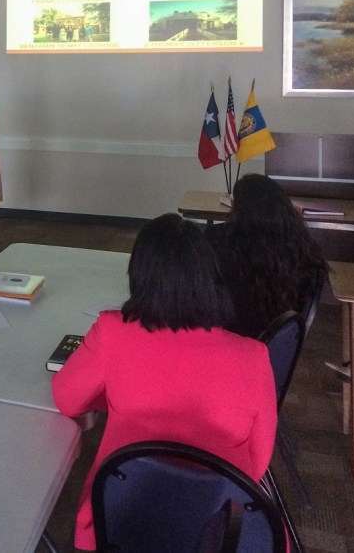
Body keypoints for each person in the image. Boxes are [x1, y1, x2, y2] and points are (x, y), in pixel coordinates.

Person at [52, 213, 277, 552]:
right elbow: (257, 464)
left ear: (139, 276)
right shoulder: (254, 356)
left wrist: (116, 398)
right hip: (217, 532)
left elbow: (67, 400)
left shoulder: (111, 332)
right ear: (209, 278)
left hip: (118, 520)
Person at [205, 173, 329, 337]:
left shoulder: (218, 241)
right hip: (278, 342)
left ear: (238, 209)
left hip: (227, 340)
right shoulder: (301, 248)